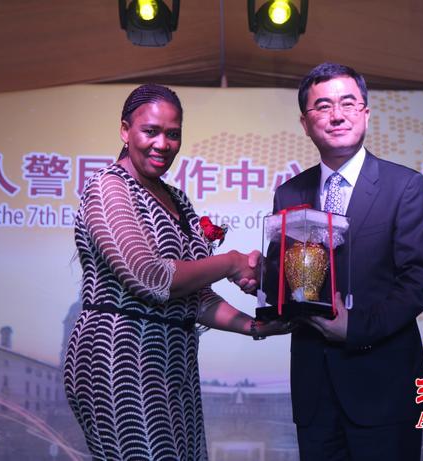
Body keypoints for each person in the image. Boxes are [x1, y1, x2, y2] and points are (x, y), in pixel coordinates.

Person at [63, 83, 289, 460]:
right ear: (125, 131)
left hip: (174, 360)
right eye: (150, 131)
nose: (162, 144)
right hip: (119, 358)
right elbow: (151, 278)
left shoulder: (178, 200)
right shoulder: (109, 188)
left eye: (172, 134)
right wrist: (231, 262)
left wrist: (254, 326)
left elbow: (194, 297)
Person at [271, 63, 423, 460]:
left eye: (348, 103)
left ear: (365, 113)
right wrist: (262, 281)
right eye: (323, 106)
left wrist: (355, 327)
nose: (337, 115)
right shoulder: (289, 193)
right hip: (314, 391)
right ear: (305, 123)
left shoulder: (405, 187)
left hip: (384, 387)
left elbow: (418, 281)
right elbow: (290, 279)